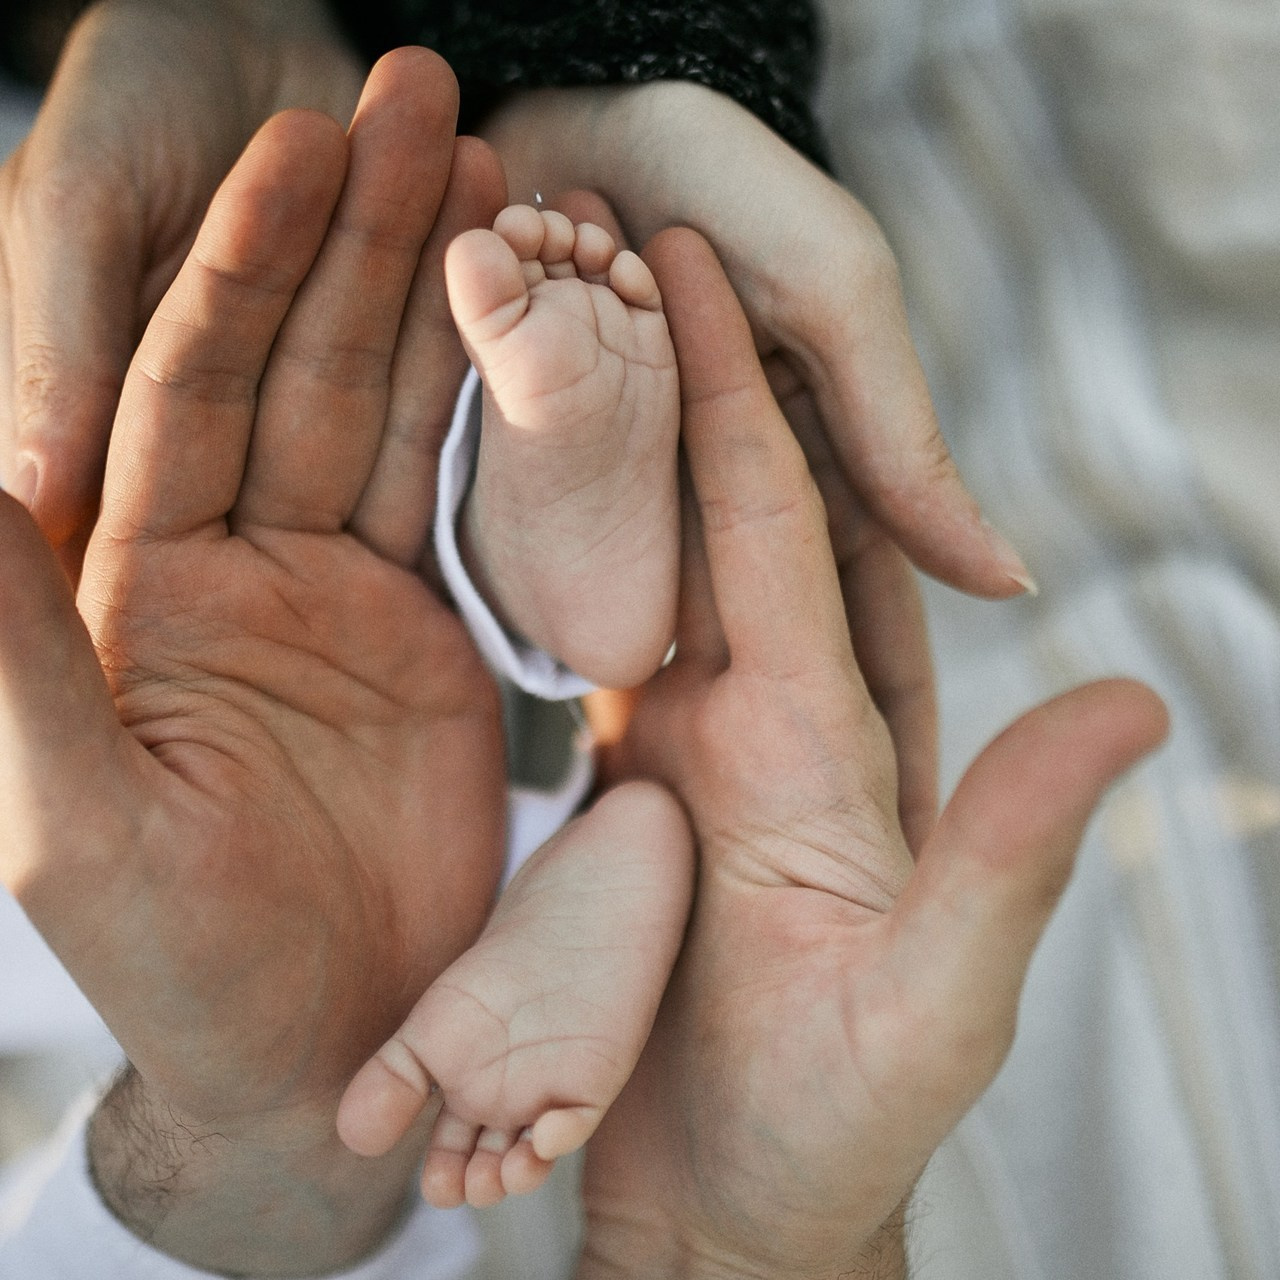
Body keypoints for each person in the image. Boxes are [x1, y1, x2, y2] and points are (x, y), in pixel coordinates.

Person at [0, 43, 1166, 1280]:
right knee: (359, 485)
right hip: (318, 774)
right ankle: (529, 581)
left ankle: (531, 574)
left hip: (247, 798)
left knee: (309, 468)